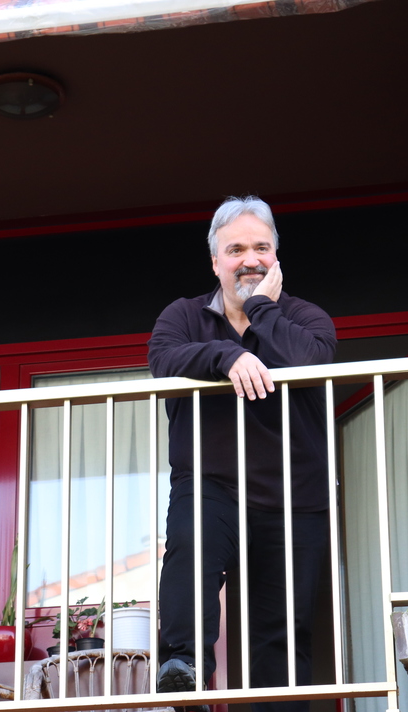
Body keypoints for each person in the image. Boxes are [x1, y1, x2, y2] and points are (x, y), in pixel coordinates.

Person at [149, 196, 336, 712]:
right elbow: (163, 359)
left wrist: (261, 310)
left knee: (283, 632)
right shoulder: (184, 315)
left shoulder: (304, 317)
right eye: (235, 250)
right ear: (215, 262)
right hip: (211, 484)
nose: (250, 259)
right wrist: (227, 355)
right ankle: (183, 665)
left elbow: (311, 360)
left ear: (276, 256)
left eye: (261, 248)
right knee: (190, 547)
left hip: (294, 496)